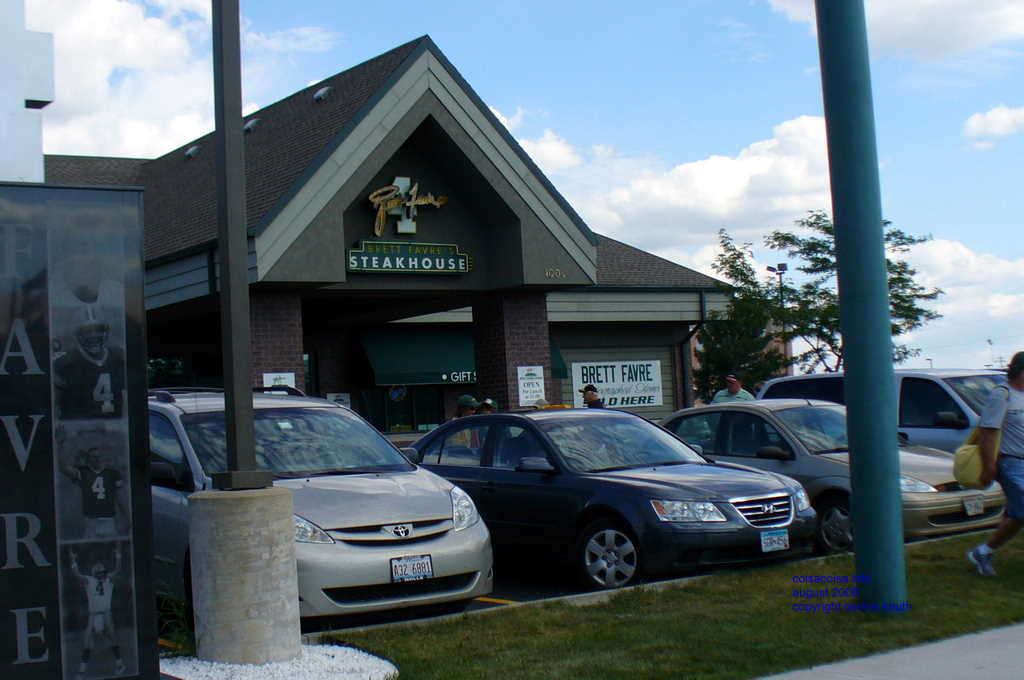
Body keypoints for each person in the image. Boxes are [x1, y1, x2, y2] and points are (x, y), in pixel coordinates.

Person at [967, 351, 1024, 576]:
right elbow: (988, 433)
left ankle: (983, 551)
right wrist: (990, 466)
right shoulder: (1002, 395)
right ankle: (983, 552)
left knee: (1016, 517)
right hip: (1011, 463)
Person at [54, 304, 126, 419]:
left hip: (114, 430)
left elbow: (130, 403)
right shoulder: (64, 364)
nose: (93, 335)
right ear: (77, 334)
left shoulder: (119, 358)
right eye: (86, 331)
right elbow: (53, 407)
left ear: (106, 331)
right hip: (77, 432)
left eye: (98, 330)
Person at [58, 429, 127, 540]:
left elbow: (120, 497)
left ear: (103, 457)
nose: (97, 459)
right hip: (90, 521)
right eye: (93, 457)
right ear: (88, 459)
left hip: (109, 520)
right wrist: (60, 444)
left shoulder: (113, 473)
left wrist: (127, 518)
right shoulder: (83, 472)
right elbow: (63, 468)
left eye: (99, 456)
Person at [70, 545, 126, 678]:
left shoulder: (108, 579)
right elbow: (77, 575)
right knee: (87, 640)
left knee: (112, 637)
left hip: (106, 613)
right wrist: (73, 561)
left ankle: (119, 664)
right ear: (95, 574)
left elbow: (117, 570)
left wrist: (118, 555)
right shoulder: (89, 581)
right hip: (93, 615)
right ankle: (82, 670)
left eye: (103, 572)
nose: (103, 574)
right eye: (100, 572)